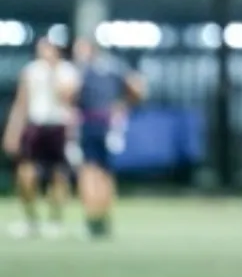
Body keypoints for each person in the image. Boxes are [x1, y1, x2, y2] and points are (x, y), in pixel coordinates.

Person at [2, 37, 79, 238]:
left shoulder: (68, 71)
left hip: (59, 126)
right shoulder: (31, 70)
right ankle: (31, 220)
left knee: (58, 174)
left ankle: (55, 220)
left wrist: (53, 74)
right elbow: (21, 103)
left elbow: (67, 100)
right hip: (35, 125)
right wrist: (13, 131)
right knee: (26, 173)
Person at [72, 36, 146, 238]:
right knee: (105, 171)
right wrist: (123, 105)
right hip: (110, 125)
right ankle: (103, 219)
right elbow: (138, 87)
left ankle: (93, 219)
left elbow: (67, 94)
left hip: (90, 123)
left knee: (89, 170)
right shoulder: (115, 67)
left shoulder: (82, 70)